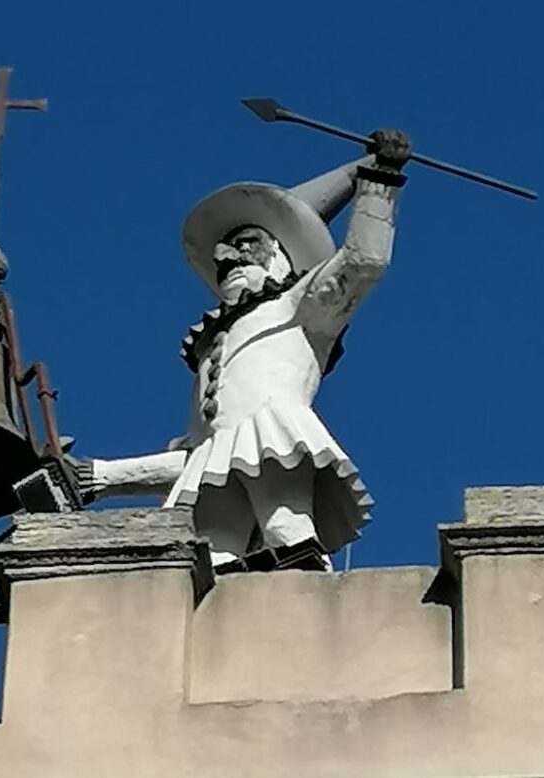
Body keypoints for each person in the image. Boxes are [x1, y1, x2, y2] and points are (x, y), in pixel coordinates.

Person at [75, 130, 411, 567]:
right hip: (224, 473)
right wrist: (99, 476)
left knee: (287, 528)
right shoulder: (215, 343)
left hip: (275, 439)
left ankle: (311, 610)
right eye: (224, 250)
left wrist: (379, 182)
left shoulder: (299, 304)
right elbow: (201, 455)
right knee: (209, 558)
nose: (225, 256)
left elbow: (362, 263)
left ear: (279, 256)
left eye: (245, 244)